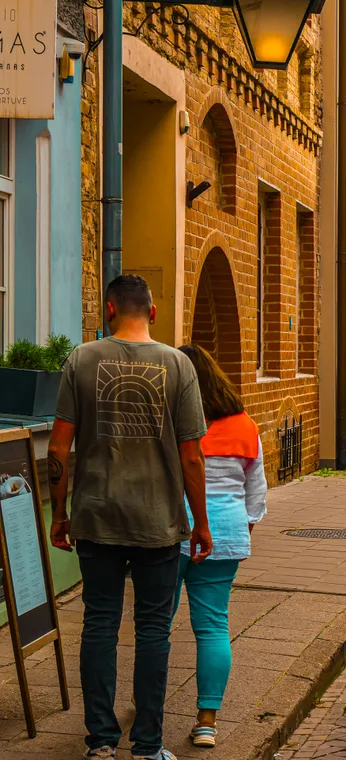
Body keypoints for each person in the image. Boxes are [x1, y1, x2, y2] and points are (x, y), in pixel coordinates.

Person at [47, 274, 212, 760]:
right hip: (157, 520)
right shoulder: (178, 365)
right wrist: (200, 522)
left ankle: (99, 742)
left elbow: (59, 446)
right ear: (154, 312)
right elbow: (193, 458)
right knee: (153, 631)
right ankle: (147, 746)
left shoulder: (82, 359)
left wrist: (61, 514)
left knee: (98, 624)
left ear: (109, 311)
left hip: (96, 517)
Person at [175, 345, 267, 749]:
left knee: (154, 626)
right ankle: (207, 721)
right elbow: (256, 490)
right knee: (213, 626)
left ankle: (143, 704)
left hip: (171, 530)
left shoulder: (169, 420)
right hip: (226, 531)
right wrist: (241, 528)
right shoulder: (245, 424)